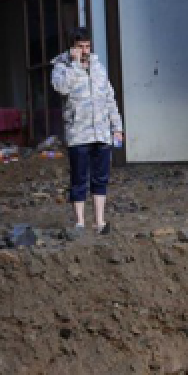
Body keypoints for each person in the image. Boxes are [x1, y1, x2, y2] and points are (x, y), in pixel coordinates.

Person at [51, 27, 123, 234]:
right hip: (78, 133)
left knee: (100, 178)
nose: (84, 50)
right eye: (80, 46)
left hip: (101, 132)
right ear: (72, 47)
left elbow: (110, 98)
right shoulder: (61, 66)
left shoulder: (98, 67)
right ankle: (79, 222)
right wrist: (74, 65)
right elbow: (61, 88)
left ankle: (100, 222)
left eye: (87, 46)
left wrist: (117, 127)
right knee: (79, 178)